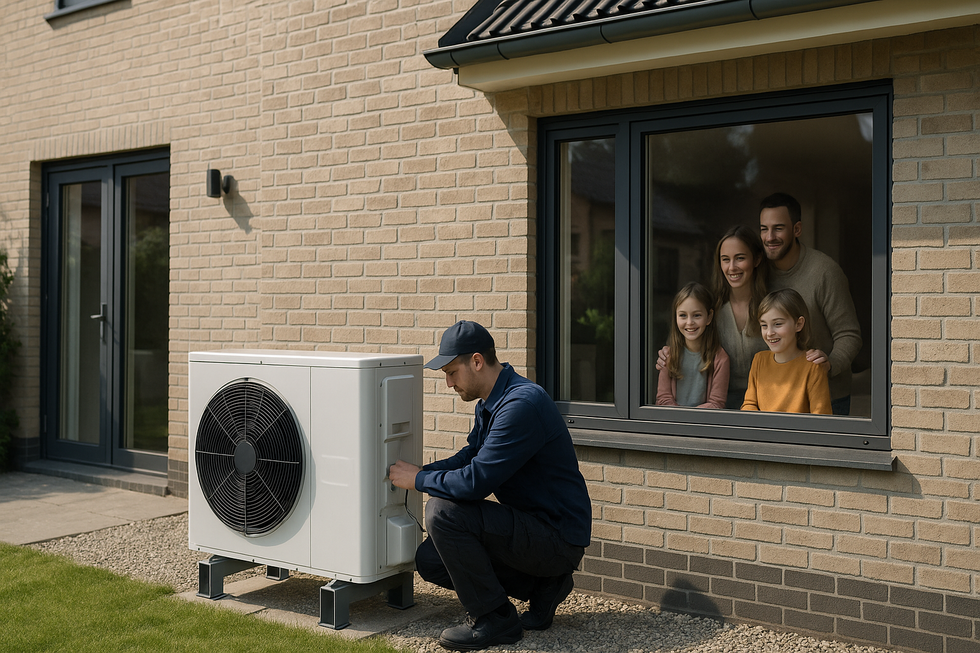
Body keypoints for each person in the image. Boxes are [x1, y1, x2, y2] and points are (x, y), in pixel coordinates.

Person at [388, 320, 592, 651]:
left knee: (442, 512)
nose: (449, 383)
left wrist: (419, 480)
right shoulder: (491, 402)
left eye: (452, 372)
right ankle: (543, 585)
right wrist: (423, 471)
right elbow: (471, 456)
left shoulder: (521, 405)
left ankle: (496, 619)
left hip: (557, 537)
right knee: (430, 559)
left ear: (477, 361)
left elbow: (475, 481)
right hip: (530, 528)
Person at [759, 192, 862, 415]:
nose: (769, 237)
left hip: (827, 397)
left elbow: (850, 334)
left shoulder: (825, 272)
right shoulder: (759, 274)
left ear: (797, 229)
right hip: (775, 398)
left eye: (778, 228)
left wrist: (830, 364)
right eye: (763, 229)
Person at [741, 289, 832, 414]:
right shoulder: (759, 360)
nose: (769, 333)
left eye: (777, 324)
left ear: (798, 324)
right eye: (764, 325)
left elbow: (821, 417)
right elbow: (749, 404)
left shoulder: (813, 367)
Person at [656, 282, 729, 409]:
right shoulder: (668, 356)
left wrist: (690, 417)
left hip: (704, 425)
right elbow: (663, 399)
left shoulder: (720, 358)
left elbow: (717, 403)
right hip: (673, 423)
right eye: (683, 315)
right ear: (676, 317)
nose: (690, 322)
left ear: (709, 317)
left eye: (697, 315)